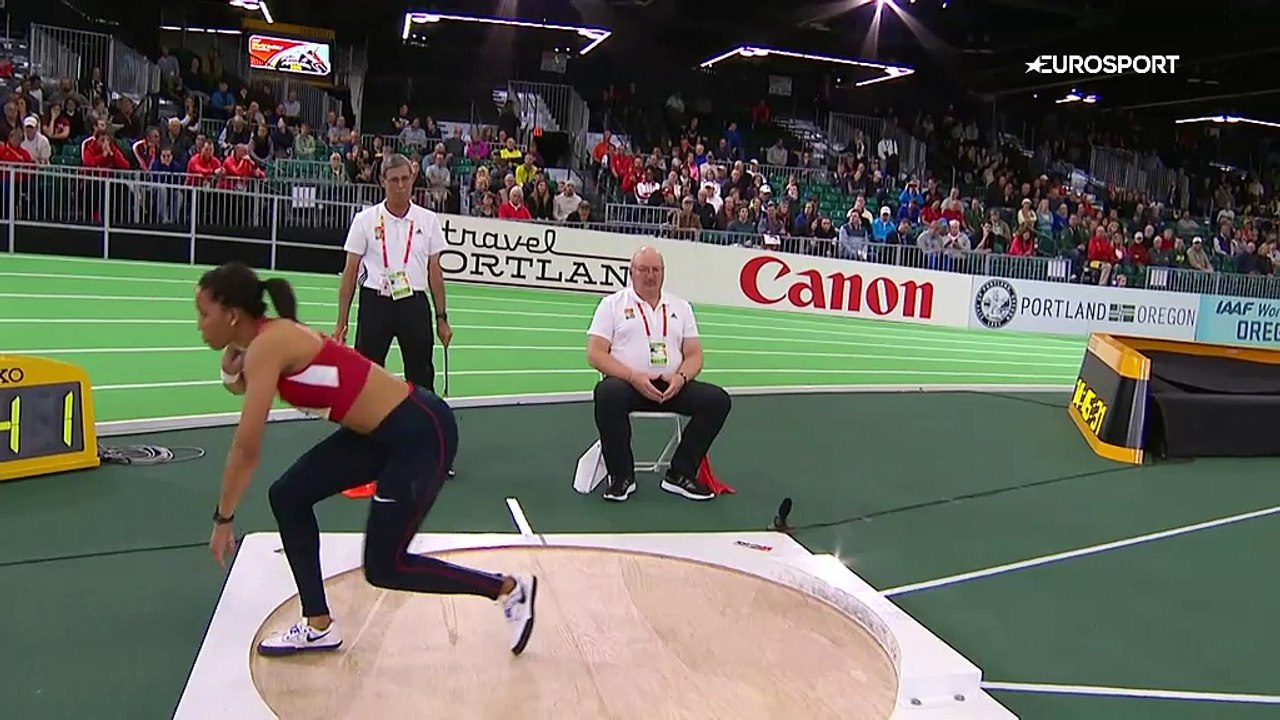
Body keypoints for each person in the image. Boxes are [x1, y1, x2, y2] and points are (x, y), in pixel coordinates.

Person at [197, 261, 536, 656]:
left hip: (419, 432)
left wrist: (224, 517)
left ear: (232, 314)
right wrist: (231, 363)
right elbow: (241, 382)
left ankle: (508, 589)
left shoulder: (268, 345)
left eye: (204, 313)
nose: (200, 324)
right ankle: (318, 624)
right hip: (377, 434)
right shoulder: (266, 340)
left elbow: (246, 447)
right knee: (288, 496)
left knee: (386, 567)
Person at [335, 152, 456, 476]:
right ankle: (360, 447)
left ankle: (430, 449)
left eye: (405, 179)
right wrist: (342, 320)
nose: (400, 186)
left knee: (421, 377)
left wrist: (441, 317)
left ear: (413, 179)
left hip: (414, 302)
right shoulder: (365, 220)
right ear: (382, 182)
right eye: (393, 180)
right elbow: (350, 272)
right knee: (367, 375)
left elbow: (435, 272)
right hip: (376, 302)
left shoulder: (428, 220)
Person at [586, 246, 732, 502]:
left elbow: (694, 354)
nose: (650, 275)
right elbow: (595, 354)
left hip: (672, 386)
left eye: (655, 270)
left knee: (717, 400)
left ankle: (680, 473)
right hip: (628, 385)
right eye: (643, 269)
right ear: (631, 272)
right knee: (607, 393)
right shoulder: (611, 305)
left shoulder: (681, 307)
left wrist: (681, 378)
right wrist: (633, 376)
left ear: (663, 273)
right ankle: (621, 477)